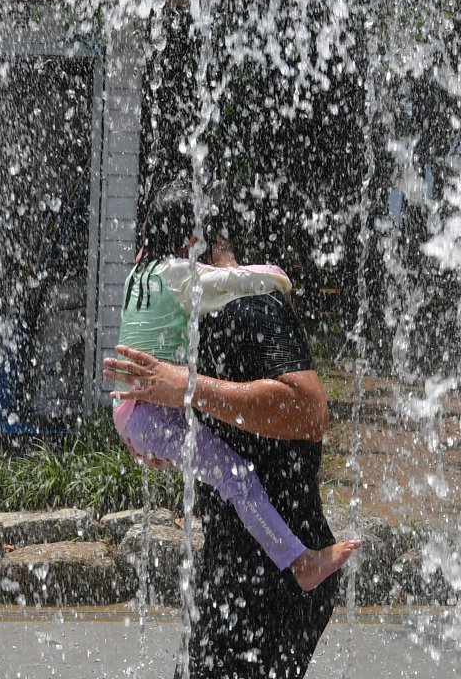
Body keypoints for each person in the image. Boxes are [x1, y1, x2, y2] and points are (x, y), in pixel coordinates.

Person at [104, 180, 348, 679]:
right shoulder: (192, 312)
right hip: (234, 563)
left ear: (204, 244)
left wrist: (185, 390)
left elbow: (309, 412)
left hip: (272, 581)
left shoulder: (254, 304)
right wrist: (153, 431)